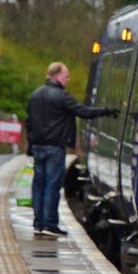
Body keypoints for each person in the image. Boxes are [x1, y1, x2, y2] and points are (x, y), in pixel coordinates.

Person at [26, 61, 118, 237]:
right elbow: (83, 112)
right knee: (52, 186)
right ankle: (50, 224)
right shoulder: (62, 96)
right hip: (54, 148)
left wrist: (30, 145)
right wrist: (105, 111)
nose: (68, 79)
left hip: (37, 147)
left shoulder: (35, 95)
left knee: (38, 185)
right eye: (66, 76)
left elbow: (29, 121)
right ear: (57, 75)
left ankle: (38, 223)